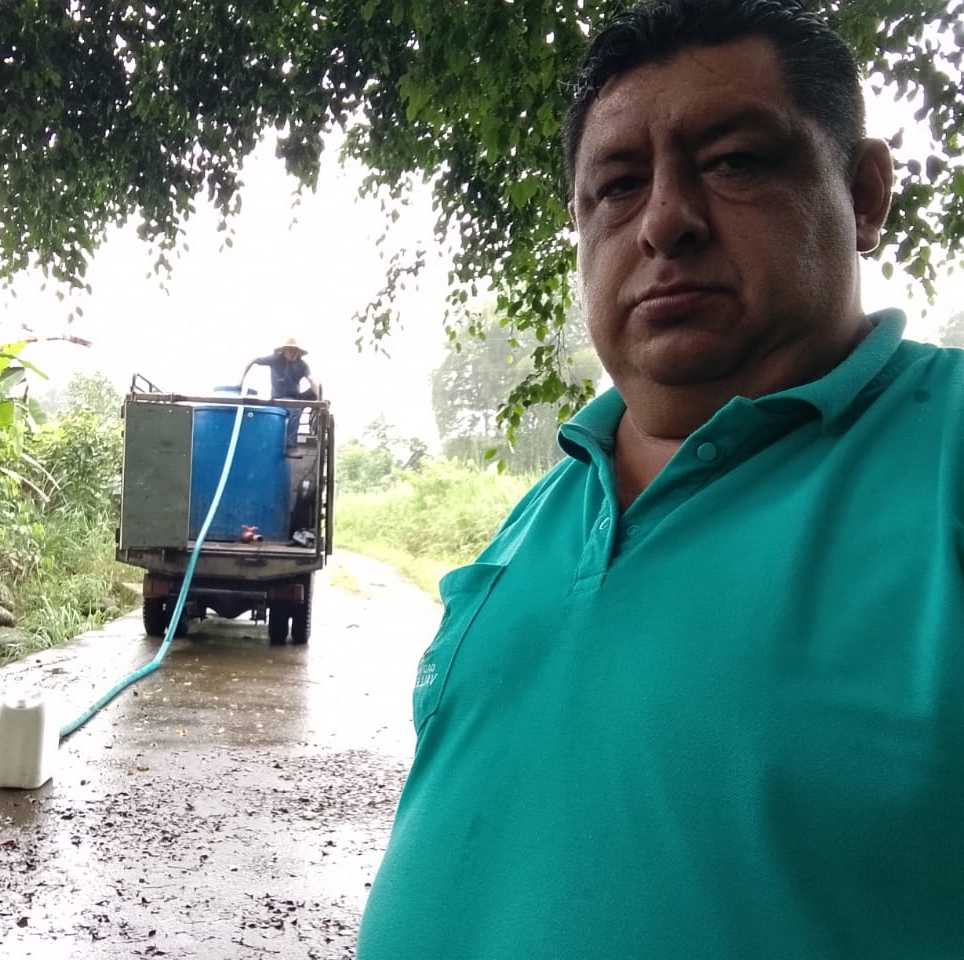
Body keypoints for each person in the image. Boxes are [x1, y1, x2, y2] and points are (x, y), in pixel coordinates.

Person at [356, 1, 964, 957]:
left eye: (735, 162)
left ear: (865, 195)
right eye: (618, 186)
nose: (665, 221)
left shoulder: (946, 452)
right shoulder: (544, 511)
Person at [241, 337, 319, 458]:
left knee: (315, 394)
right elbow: (253, 361)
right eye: (290, 350)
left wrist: (319, 398)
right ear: (284, 350)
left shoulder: (302, 364)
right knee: (295, 411)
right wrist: (241, 380)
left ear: (299, 352)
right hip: (280, 397)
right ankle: (291, 447)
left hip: (295, 397)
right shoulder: (275, 359)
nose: (293, 353)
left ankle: (307, 415)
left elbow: (312, 380)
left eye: (295, 351)